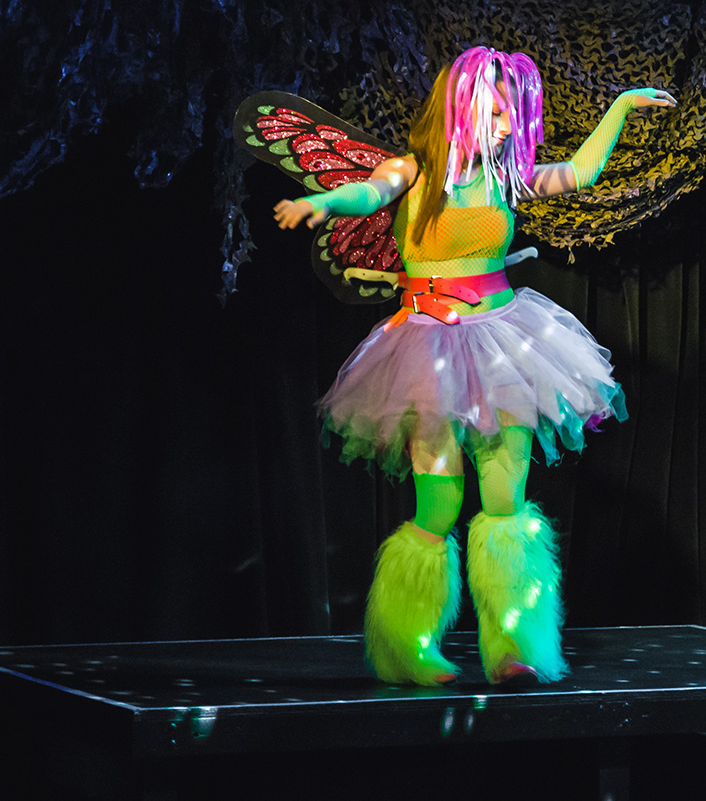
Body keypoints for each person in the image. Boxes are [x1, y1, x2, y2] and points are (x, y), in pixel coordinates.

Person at [273, 46, 674, 685]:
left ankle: (514, 644)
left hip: (506, 347)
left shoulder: (508, 177)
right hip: (427, 354)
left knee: (505, 497)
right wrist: (325, 204)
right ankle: (409, 646)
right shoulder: (417, 171)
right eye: (497, 114)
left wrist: (621, 107)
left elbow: (581, 172)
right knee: (440, 502)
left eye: (513, 117)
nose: (510, 128)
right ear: (461, 111)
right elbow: (369, 190)